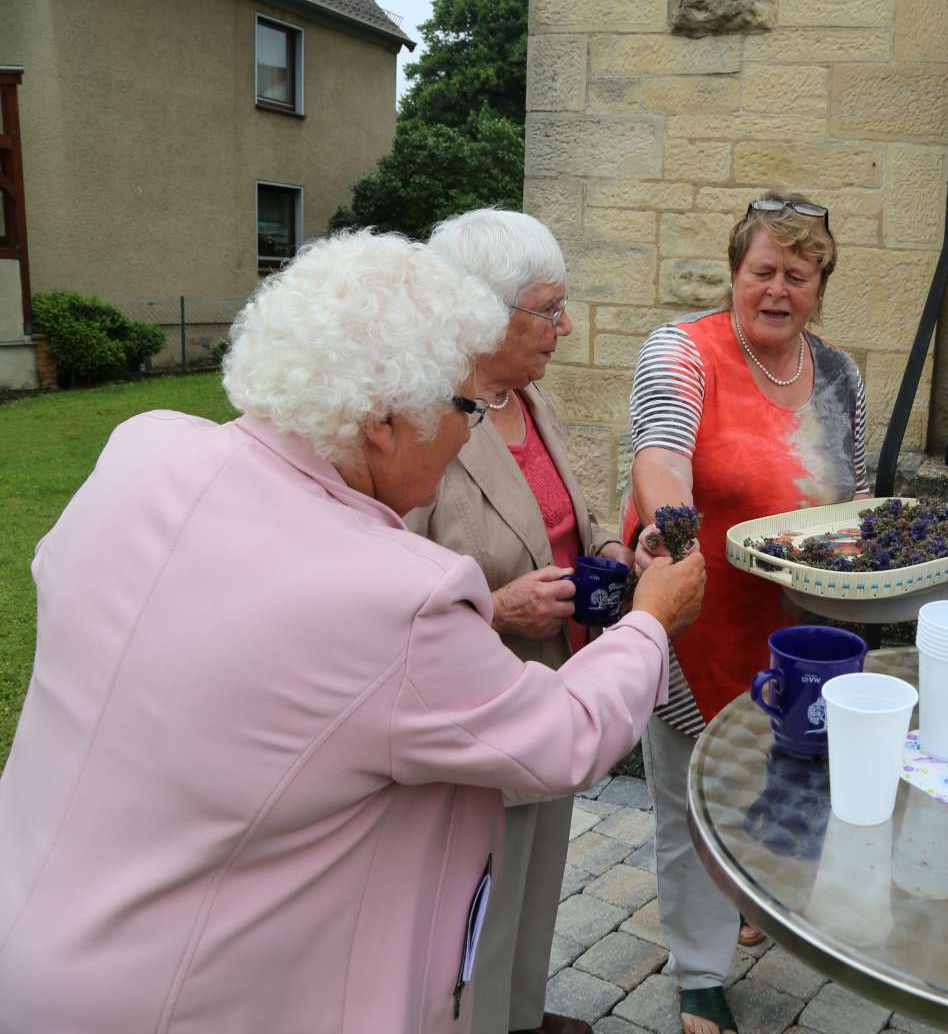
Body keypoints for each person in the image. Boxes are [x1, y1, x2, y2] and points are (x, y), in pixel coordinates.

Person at [0, 231, 705, 1031]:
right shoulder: (392, 596)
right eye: (463, 407)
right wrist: (650, 620)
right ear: (381, 420)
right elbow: (562, 737)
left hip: (30, 928)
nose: (471, 433)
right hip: (177, 998)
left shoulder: (145, 450)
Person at [625, 192, 869, 1034]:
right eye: (761, 270)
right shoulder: (681, 353)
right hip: (699, 611)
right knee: (687, 796)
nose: (776, 289)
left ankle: (753, 897)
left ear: (818, 286)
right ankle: (699, 973)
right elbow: (660, 451)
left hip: (802, 624)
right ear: (735, 272)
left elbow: (857, 493)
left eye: (796, 276)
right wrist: (670, 529)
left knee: (784, 781)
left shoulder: (839, 372)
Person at [409, 209, 632, 1034]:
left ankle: (523, 1015)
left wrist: (617, 550)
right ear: (484, 313)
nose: (564, 326)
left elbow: (577, 509)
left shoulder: (533, 397)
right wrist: (500, 608)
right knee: (479, 896)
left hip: (556, 684)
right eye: (549, 309)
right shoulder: (420, 419)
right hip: (479, 703)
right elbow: (387, 581)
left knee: (540, 877)